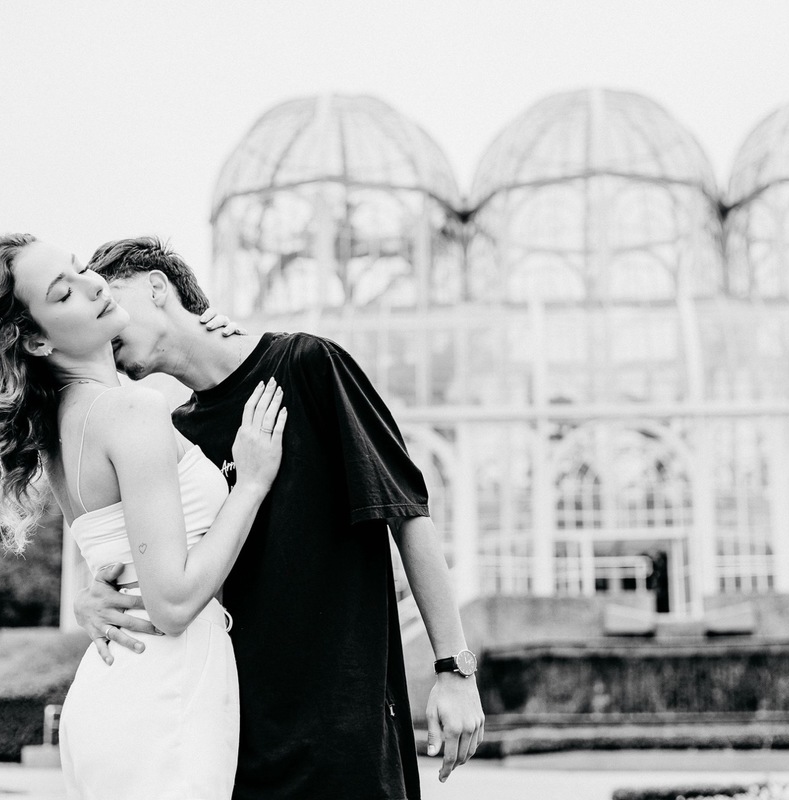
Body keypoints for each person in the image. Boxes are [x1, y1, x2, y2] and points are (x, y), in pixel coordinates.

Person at [73, 236, 484, 800]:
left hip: (344, 727)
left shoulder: (308, 365)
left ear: (157, 286)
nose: (104, 324)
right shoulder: (174, 438)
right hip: (233, 732)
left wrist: (455, 670)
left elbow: (407, 514)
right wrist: (92, 598)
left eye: (108, 298)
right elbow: (165, 573)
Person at [0, 233, 286, 799]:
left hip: (119, 686)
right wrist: (250, 485)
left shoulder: (63, 426)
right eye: (64, 293)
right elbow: (173, 602)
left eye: (82, 268)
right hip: (166, 691)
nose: (93, 284)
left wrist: (208, 326)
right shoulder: (132, 409)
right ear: (33, 340)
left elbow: (120, 557)